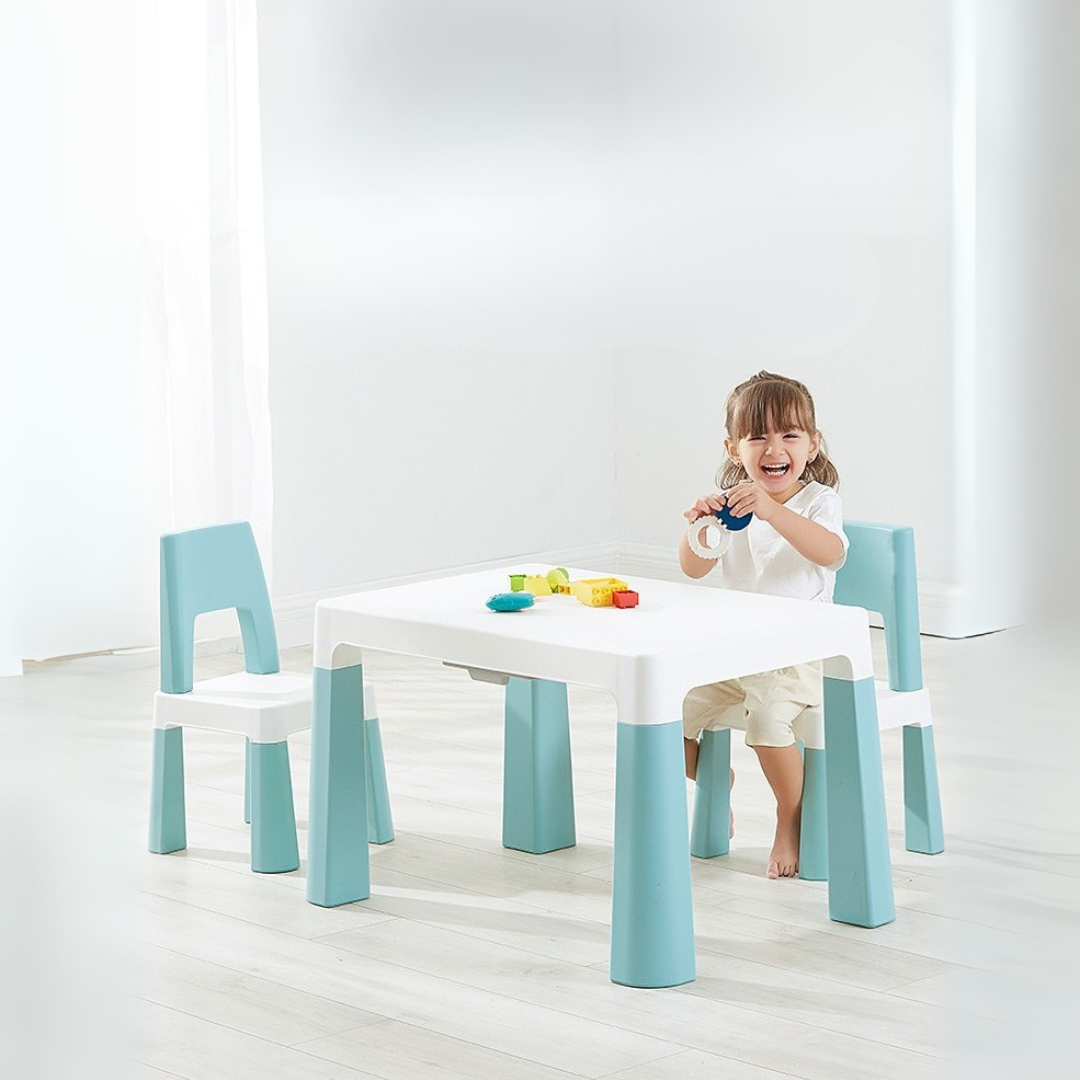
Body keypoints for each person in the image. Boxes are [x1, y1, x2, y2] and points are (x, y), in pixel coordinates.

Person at [679, 371, 847, 880]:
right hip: (738, 653)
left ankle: (790, 816)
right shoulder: (734, 506)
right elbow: (694, 568)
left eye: (789, 435)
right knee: (667, 713)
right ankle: (715, 782)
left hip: (798, 657)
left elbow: (831, 553)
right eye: (757, 437)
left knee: (767, 723)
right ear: (734, 450)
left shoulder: (818, 502)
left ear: (813, 445)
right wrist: (699, 525)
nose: (774, 448)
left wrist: (772, 511)